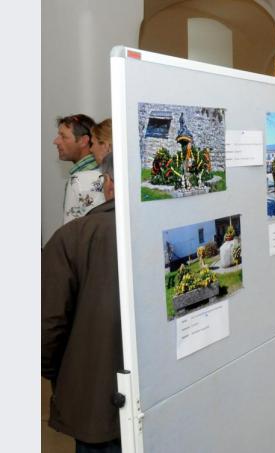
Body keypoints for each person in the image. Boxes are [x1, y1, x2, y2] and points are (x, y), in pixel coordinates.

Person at [42, 154, 122, 453]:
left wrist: (68, 375)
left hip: (96, 403)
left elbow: (47, 327)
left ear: (108, 183)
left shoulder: (71, 238)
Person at [54, 113, 106, 224]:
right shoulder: (104, 171)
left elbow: (73, 231)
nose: (56, 141)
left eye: (63, 136)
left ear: (83, 141)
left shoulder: (80, 179)